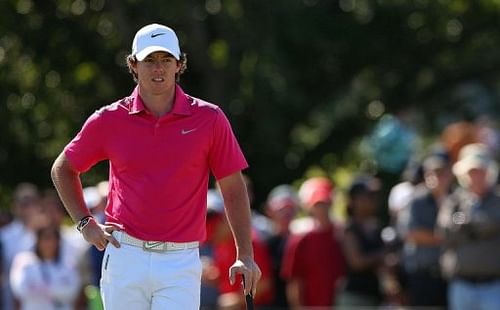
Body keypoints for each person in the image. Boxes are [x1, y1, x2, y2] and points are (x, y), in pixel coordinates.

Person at [50, 23, 260, 309]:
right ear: (133, 65)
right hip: (125, 255)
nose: (157, 68)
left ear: (179, 65)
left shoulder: (209, 119)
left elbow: (233, 189)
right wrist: (85, 222)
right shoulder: (109, 119)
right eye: (149, 60)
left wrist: (244, 254)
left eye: (166, 60)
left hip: (180, 260)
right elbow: (63, 169)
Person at [437, 143, 500, 310]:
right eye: (472, 172)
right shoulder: (454, 201)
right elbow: (445, 230)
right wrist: (476, 226)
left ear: (489, 173)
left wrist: (467, 224)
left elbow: (492, 223)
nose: (476, 176)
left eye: (480, 171)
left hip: (493, 284)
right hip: (461, 284)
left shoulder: (497, 200)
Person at [281, 176, 345, 308]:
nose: (322, 208)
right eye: (317, 204)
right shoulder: (300, 239)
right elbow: (294, 281)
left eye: (325, 203)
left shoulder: (342, 234)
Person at [399, 152, 453, 308]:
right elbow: (411, 233)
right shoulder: (416, 201)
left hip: (448, 276)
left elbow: (461, 222)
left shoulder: (456, 199)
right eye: (433, 173)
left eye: (442, 173)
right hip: (422, 275)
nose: (438, 178)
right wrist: (446, 237)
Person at [336, 175, 386, 308]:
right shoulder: (349, 229)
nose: (372, 201)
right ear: (354, 201)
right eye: (367, 197)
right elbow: (356, 262)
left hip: (375, 297)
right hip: (355, 298)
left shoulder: (375, 228)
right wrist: (381, 256)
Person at [10, 225, 81, 310]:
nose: (50, 243)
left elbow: (72, 291)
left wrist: (42, 289)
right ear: (38, 241)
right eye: (46, 239)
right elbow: (20, 289)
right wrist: (56, 289)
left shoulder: (68, 263)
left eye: (53, 239)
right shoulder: (24, 261)